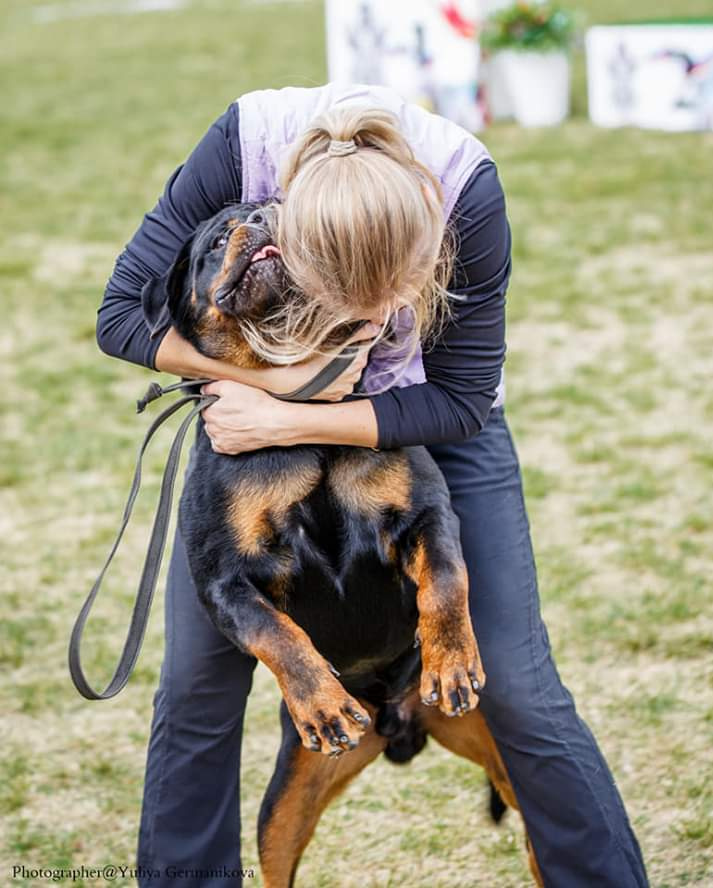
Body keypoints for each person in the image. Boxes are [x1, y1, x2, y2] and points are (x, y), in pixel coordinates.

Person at [97, 83, 648, 888]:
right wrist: (271, 396)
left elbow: (459, 399)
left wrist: (300, 416)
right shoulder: (243, 148)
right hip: (250, 421)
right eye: (355, 295)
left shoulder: (468, 190)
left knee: (521, 689)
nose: (383, 314)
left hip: (427, 422)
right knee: (194, 689)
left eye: (400, 294)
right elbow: (121, 317)